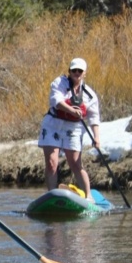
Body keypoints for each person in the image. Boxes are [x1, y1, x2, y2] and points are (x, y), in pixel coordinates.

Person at [38, 57, 100, 198]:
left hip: (74, 128)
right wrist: (72, 110)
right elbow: (56, 101)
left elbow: (94, 117)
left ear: (84, 73)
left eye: (80, 71)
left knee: (75, 164)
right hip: (53, 124)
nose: (76, 73)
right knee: (51, 162)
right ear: (69, 71)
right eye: (74, 70)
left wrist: (96, 137)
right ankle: (52, 194)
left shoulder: (90, 95)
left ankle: (88, 196)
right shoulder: (59, 83)